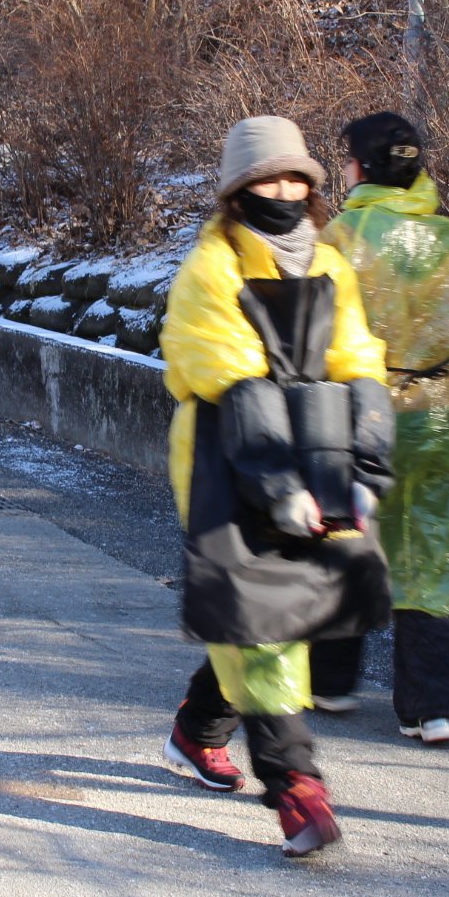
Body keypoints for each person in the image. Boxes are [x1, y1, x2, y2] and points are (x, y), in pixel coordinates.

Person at [158, 115, 394, 857]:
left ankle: (197, 730)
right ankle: (296, 787)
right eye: (268, 179)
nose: (285, 191)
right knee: (261, 616)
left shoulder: (330, 263)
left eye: (297, 178)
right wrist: (277, 483)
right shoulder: (211, 268)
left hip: (320, 454)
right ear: (239, 189)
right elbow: (233, 379)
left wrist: (368, 468)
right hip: (228, 459)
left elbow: (359, 361)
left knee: (274, 611)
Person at [319, 111, 449, 743]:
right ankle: (434, 707)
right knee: (438, 548)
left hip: (361, 403)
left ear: (360, 167)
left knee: (345, 534)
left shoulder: (341, 238)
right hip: (443, 404)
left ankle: (331, 680)